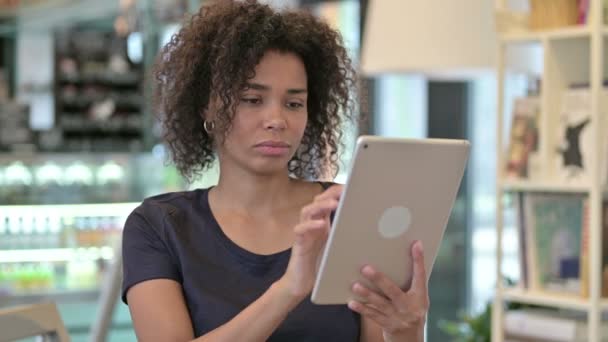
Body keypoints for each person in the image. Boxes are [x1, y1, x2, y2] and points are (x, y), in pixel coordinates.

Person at [121, 1, 429, 341]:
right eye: (253, 99)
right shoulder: (160, 226)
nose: (277, 120)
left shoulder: (348, 214)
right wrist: (289, 289)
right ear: (207, 106)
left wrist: (406, 329)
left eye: (294, 103)